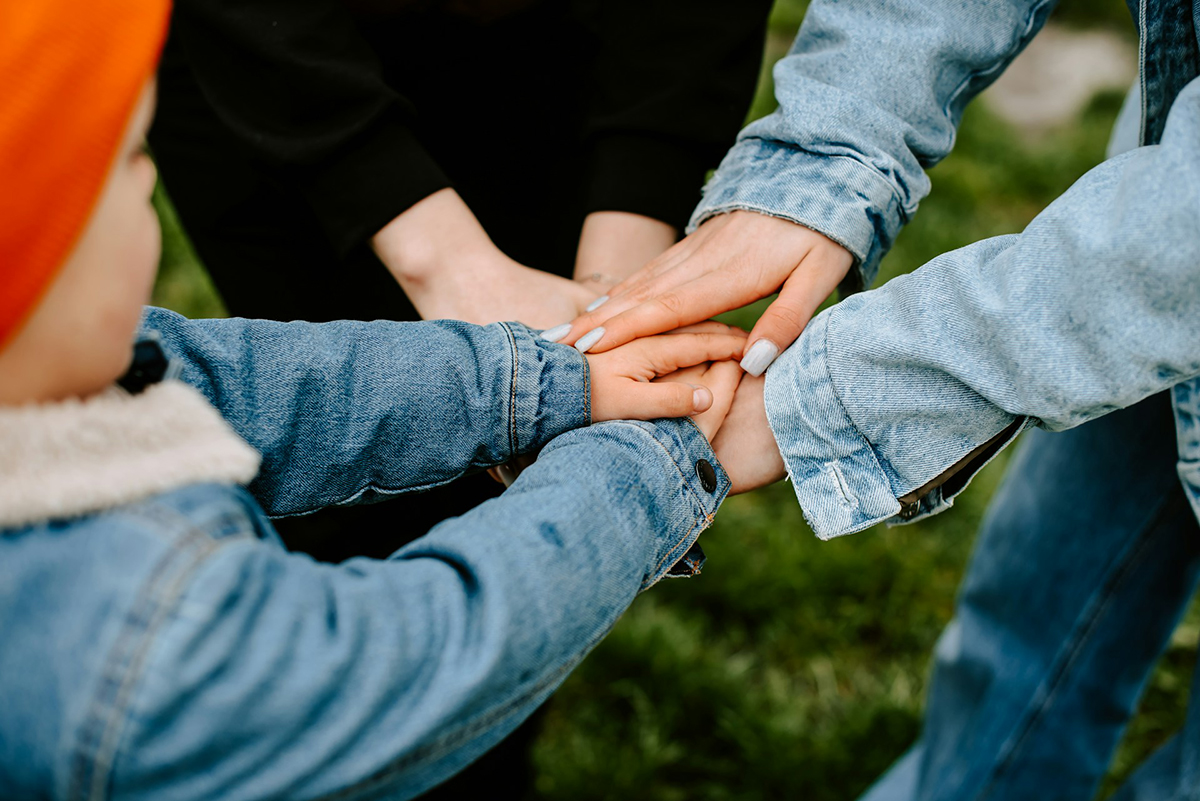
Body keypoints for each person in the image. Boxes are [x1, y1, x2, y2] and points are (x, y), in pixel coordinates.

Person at [0, 1, 749, 797]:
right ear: (36, 254)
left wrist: (551, 385)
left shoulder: (48, 376)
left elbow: (270, 386)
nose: (151, 183)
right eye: (129, 163)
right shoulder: (134, 634)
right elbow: (424, 666)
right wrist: (657, 460)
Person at [556, 0, 1200, 798]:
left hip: (1165, 240)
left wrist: (823, 396)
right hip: (1154, 172)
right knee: (1031, 609)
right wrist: (815, 170)